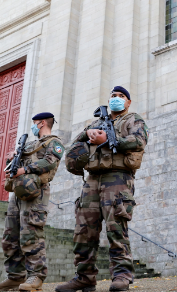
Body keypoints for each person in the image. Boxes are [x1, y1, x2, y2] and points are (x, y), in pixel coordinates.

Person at [57, 86, 148, 292]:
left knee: (116, 227)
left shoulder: (134, 120)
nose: (116, 99)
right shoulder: (97, 122)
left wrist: (107, 140)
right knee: (83, 230)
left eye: (121, 96)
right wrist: (87, 133)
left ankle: (122, 276)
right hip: (92, 179)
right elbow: (75, 144)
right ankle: (84, 277)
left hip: (117, 177)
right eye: (113, 96)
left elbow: (139, 140)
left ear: (128, 102)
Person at [0, 113, 64, 292]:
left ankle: (36, 276)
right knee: (10, 236)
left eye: (34, 123)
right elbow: (15, 168)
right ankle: (14, 277)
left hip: (36, 192)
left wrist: (24, 169)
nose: (33, 126)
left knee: (31, 233)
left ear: (42, 123)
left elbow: (49, 163)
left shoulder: (54, 142)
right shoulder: (29, 145)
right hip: (18, 192)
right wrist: (12, 159)